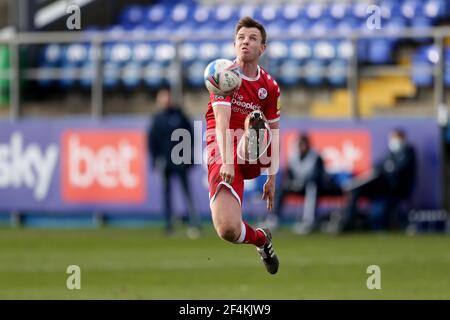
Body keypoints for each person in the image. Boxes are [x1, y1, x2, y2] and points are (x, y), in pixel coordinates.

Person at [205, 17, 281, 274]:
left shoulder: (269, 87)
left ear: (262, 48)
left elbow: (276, 131)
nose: (245, 42)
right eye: (241, 38)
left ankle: (252, 133)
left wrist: (272, 177)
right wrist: (227, 160)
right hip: (221, 148)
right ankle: (262, 240)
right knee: (228, 230)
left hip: (251, 151)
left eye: (252, 38)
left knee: (258, 123)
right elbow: (221, 122)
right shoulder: (222, 74)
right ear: (234, 43)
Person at [334, 128, 417, 232]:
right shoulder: (389, 154)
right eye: (393, 138)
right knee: (355, 189)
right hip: (381, 186)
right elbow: (378, 168)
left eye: (397, 138)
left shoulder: (409, 152)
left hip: (395, 188)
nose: (394, 141)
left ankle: (380, 224)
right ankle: (348, 222)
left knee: (381, 202)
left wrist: (388, 169)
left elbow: (398, 171)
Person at [148, 85, 201, 238]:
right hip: (165, 162)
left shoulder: (179, 115)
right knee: (166, 194)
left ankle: (194, 223)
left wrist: (190, 157)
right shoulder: (157, 119)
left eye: (168, 96)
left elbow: (191, 136)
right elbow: (152, 142)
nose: (166, 99)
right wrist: (155, 160)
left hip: (180, 161)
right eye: (163, 96)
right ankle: (168, 225)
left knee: (187, 192)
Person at [265, 133, 342, 234]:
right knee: (281, 188)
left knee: (312, 187)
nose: (302, 147)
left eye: (304, 144)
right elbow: (288, 175)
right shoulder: (293, 157)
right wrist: (291, 183)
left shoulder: (316, 157)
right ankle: (274, 218)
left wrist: (302, 182)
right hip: (298, 186)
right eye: (300, 145)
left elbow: (318, 177)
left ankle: (309, 221)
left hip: (314, 187)